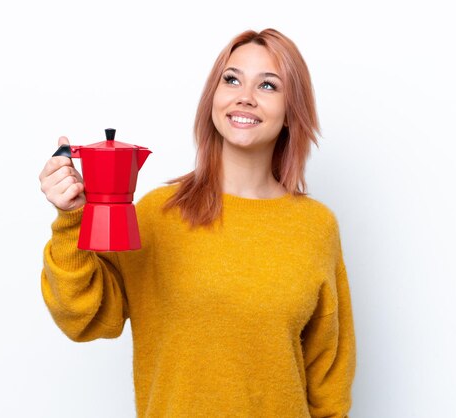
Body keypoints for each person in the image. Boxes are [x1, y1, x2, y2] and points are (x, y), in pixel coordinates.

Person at [39, 28, 356, 418]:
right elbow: (84, 318)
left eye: (269, 85)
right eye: (232, 79)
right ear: (214, 99)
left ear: (293, 111)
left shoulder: (315, 227)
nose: (245, 96)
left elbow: (329, 379)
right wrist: (72, 217)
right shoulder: (157, 216)